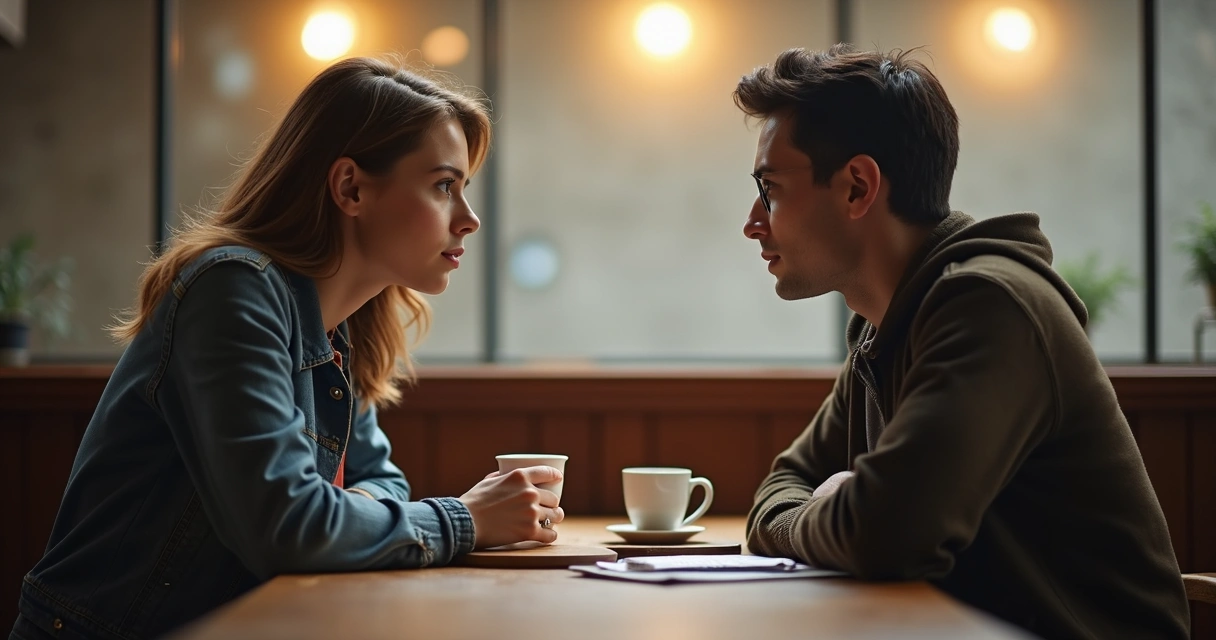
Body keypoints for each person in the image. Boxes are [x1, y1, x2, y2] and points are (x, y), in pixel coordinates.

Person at [10, 57, 563, 640]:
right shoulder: (232, 290)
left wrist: (340, 516)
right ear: (350, 187)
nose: (470, 219)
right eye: (444, 186)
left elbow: (381, 483)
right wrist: (462, 519)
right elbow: (287, 526)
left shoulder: (343, 327)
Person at [736, 44, 1189, 638]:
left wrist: (826, 511)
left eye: (770, 188)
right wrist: (829, 507)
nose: (752, 222)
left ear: (857, 188)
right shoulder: (882, 325)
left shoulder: (990, 307)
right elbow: (781, 487)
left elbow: (885, 535)